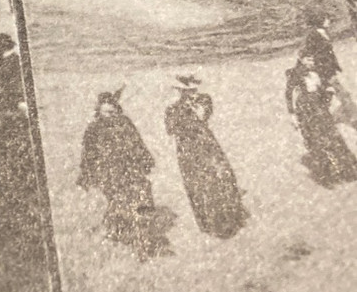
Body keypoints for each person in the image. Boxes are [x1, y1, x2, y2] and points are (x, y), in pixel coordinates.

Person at [77, 90, 170, 260]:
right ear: (99, 110)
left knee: (141, 201)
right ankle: (121, 234)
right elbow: (88, 155)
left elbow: (137, 143)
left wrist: (146, 161)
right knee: (120, 204)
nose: (111, 115)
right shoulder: (93, 129)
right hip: (109, 175)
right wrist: (86, 177)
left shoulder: (125, 123)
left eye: (113, 111)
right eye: (106, 112)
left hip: (132, 171)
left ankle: (143, 241)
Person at [164, 76, 247, 238]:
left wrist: (195, 110)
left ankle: (232, 218)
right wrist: (183, 112)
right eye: (186, 90)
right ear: (180, 91)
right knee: (198, 184)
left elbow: (204, 116)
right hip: (187, 149)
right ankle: (209, 224)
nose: (190, 93)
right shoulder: (172, 108)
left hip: (206, 144)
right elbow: (170, 129)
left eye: (192, 90)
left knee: (221, 177)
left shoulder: (203, 100)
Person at [286, 54, 357, 186]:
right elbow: (288, 95)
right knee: (317, 141)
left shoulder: (318, 72)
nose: (311, 62)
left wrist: (328, 93)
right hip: (307, 111)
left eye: (312, 60)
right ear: (301, 60)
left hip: (321, 110)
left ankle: (349, 170)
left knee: (334, 138)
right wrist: (292, 115)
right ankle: (328, 175)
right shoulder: (296, 74)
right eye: (308, 59)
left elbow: (325, 92)